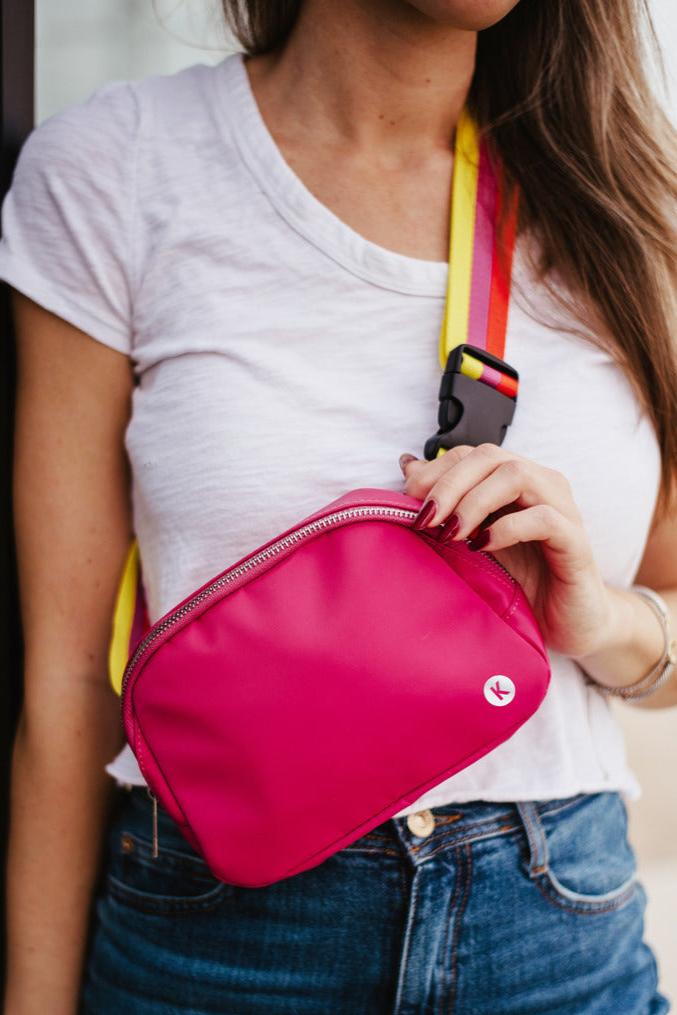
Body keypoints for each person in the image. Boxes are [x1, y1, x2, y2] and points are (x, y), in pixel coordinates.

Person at [2, 0, 676, 1011]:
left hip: (554, 931)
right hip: (214, 934)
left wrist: (605, 619)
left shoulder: (626, 205)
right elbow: (65, 681)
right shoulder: (116, 169)